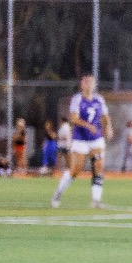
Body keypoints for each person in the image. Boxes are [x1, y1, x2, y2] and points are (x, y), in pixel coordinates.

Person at [52, 74, 107, 208]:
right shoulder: (77, 99)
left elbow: (105, 116)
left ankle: (96, 200)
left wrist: (109, 127)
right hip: (80, 139)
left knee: (99, 166)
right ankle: (58, 193)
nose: (89, 85)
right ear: (82, 84)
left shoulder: (99, 99)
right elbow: (74, 119)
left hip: (96, 139)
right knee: (76, 169)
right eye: (86, 82)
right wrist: (89, 126)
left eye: (91, 82)